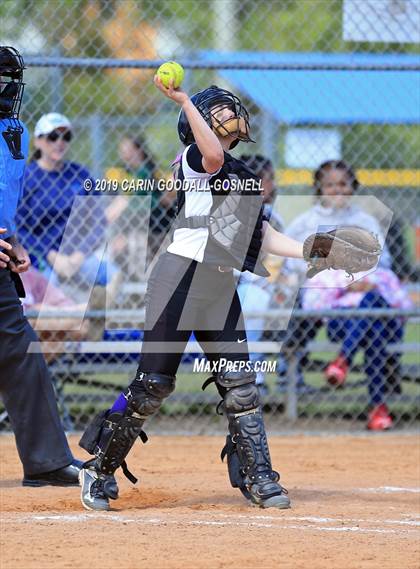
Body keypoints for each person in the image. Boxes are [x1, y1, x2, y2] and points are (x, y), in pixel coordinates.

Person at [77, 78, 366, 512]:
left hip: (217, 285)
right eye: (221, 110)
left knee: (241, 386)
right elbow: (211, 153)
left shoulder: (242, 175)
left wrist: (321, 249)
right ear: (198, 123)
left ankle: (259, 476)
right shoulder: (194, 159)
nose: (235, 114)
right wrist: (181, 99)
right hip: (177, 280)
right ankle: (98, 469)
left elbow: (263, 235)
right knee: (153, 385)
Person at [274, 160, 410, 429]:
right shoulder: (306, 223)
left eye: (343, 184)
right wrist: (342, 282)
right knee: (375, 322)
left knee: (373, 311)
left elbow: (382, 263)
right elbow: (291, 263)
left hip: (366, 300)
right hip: (336, 314)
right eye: (330, 184)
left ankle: (343, 362)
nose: (337, 189)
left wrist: (360, 278)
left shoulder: (365, 221)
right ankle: (377, 407)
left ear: (353, 187)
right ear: (320, 188)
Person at [0, 45, 81, 486]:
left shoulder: (13, 131)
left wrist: (13, 241)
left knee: (20, 356)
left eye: (6, 79)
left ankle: (47, 461)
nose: (4, 88)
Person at [18, 112, 118, 293]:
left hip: (77, 255)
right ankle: (73, 317)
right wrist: (51, 255)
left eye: (66, 136)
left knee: (114, 276)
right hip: (41, 256)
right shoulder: (27, 178)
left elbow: (98, 222)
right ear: (38, 141)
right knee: (50, 289)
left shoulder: (80, 174)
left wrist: (80, 254)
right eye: (53, 136)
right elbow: (19, 228)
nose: (60, 142)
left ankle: (101, 318)